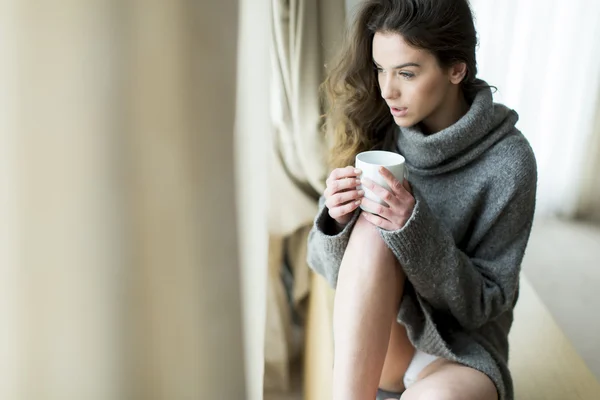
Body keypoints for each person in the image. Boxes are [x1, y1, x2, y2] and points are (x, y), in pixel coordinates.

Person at [306, 0, 537, 399]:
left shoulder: (509, 162)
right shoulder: (377, 131)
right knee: (371, 228)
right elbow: (327, 270)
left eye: (407, 73)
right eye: (380, 69)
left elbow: (485, 305)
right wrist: (336, 221)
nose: (386, 90)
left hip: (461, 355)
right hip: (388, 340)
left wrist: (414, 227)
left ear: (456, 69)